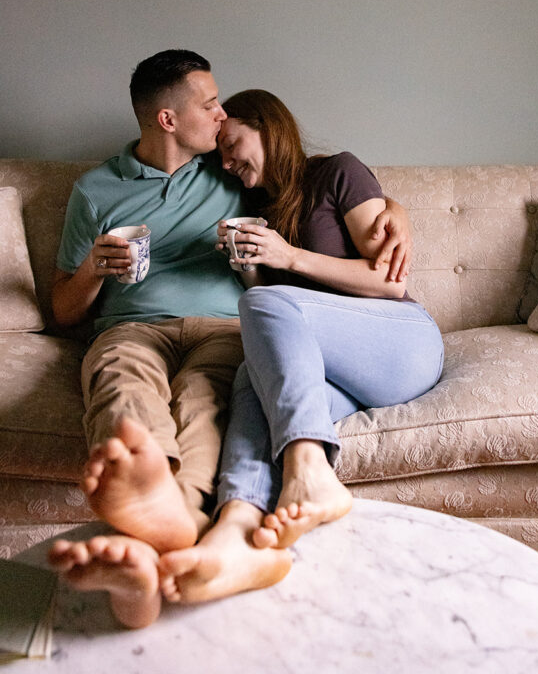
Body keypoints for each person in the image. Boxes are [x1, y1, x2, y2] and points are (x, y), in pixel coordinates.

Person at [48, 52, 410, 627]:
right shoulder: (95, 191)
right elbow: (63, 309)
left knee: (206, 400)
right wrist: (93, 267)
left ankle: (174, 515)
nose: (222, 117)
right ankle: (165, 509)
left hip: (226, 326)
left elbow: (314, 184)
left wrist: (395, 208)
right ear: (168, 119)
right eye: (210, 105)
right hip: (130, 326)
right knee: (122, 381)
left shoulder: (232, 173)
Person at [155, 90, 444, 607]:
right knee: (251, 379)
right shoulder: (258, 208)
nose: (226, 162)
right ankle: (237, 531)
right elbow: (274, 324)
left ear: (266, 125)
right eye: (219, 156)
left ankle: (310, 472)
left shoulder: (338, 172)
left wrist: (289, 257)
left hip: (402, 341)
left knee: (266, 309)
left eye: (231, 143)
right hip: (336, 369)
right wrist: (245, 262)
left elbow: (390, 283)